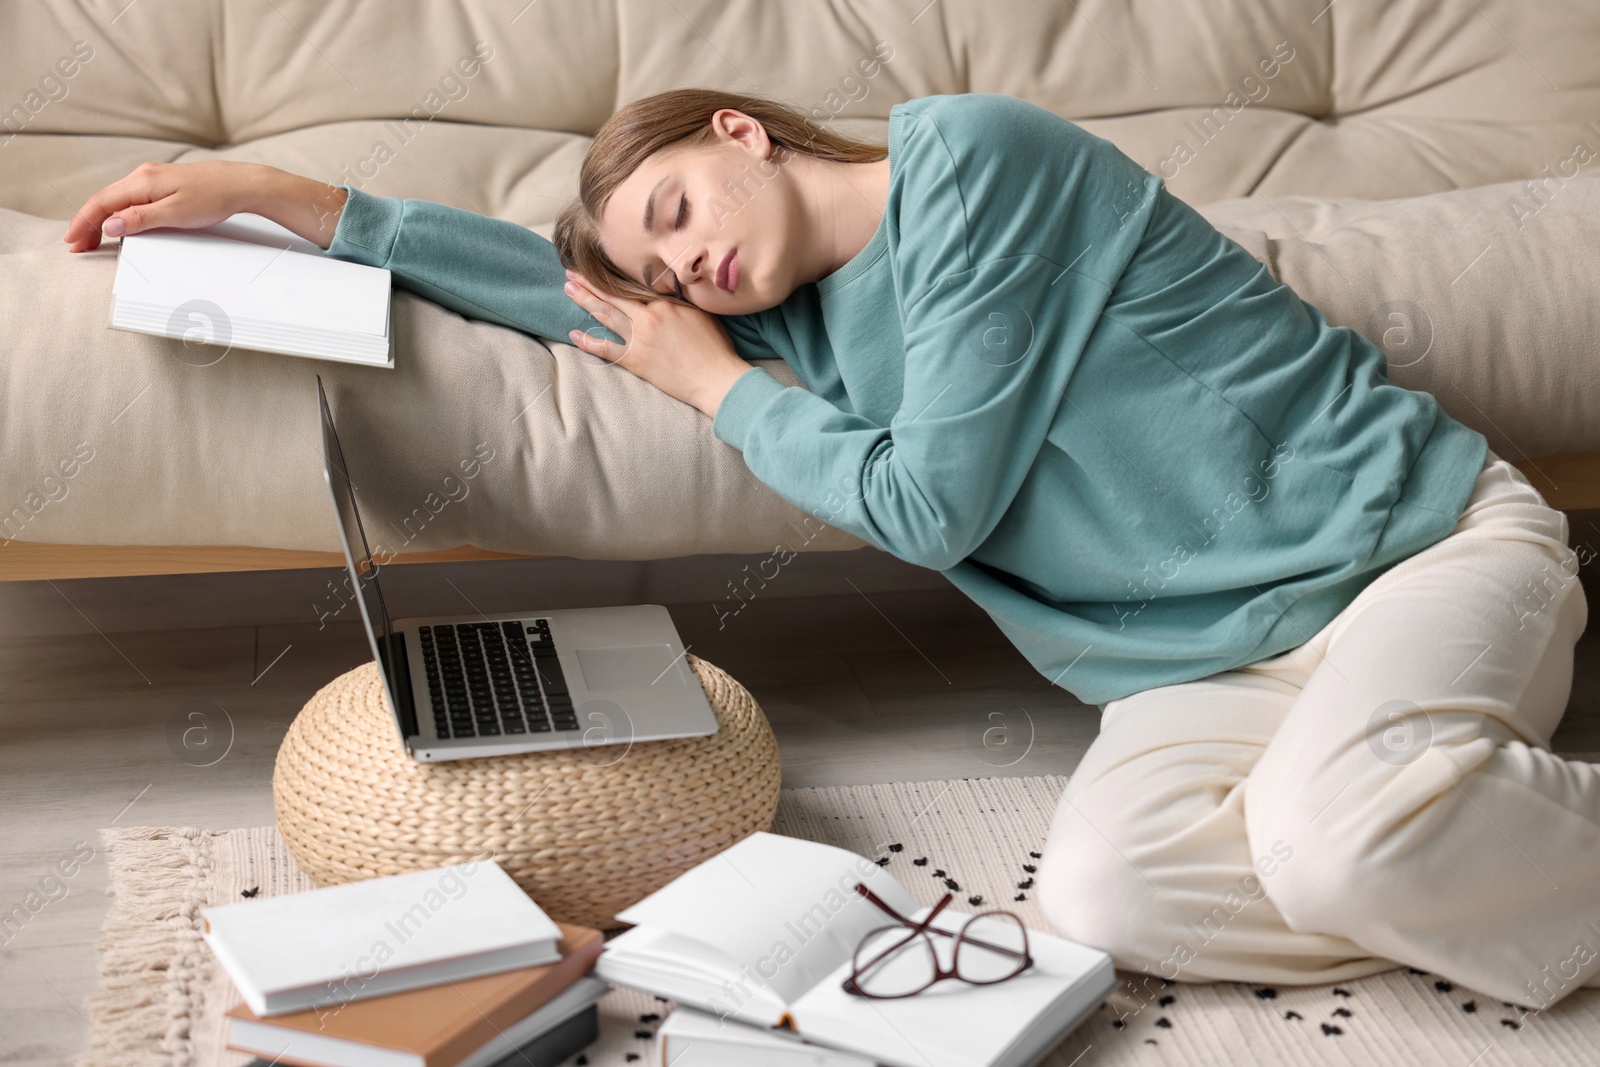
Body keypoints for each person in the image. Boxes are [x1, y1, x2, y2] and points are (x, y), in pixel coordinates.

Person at [63, 89, 1600, 1009]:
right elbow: (565, 297)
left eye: (678, 205)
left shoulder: (980, 165)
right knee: (1113, 906)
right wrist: (290, 198)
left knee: (1327, 842)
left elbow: (935, 505)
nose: (691, 264)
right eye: (671, 270)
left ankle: (1403, 842)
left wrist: (721, 388)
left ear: (742, 129)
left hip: (1415, 552)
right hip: (1203, 669)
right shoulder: (777, 321)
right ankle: (1444, 851)